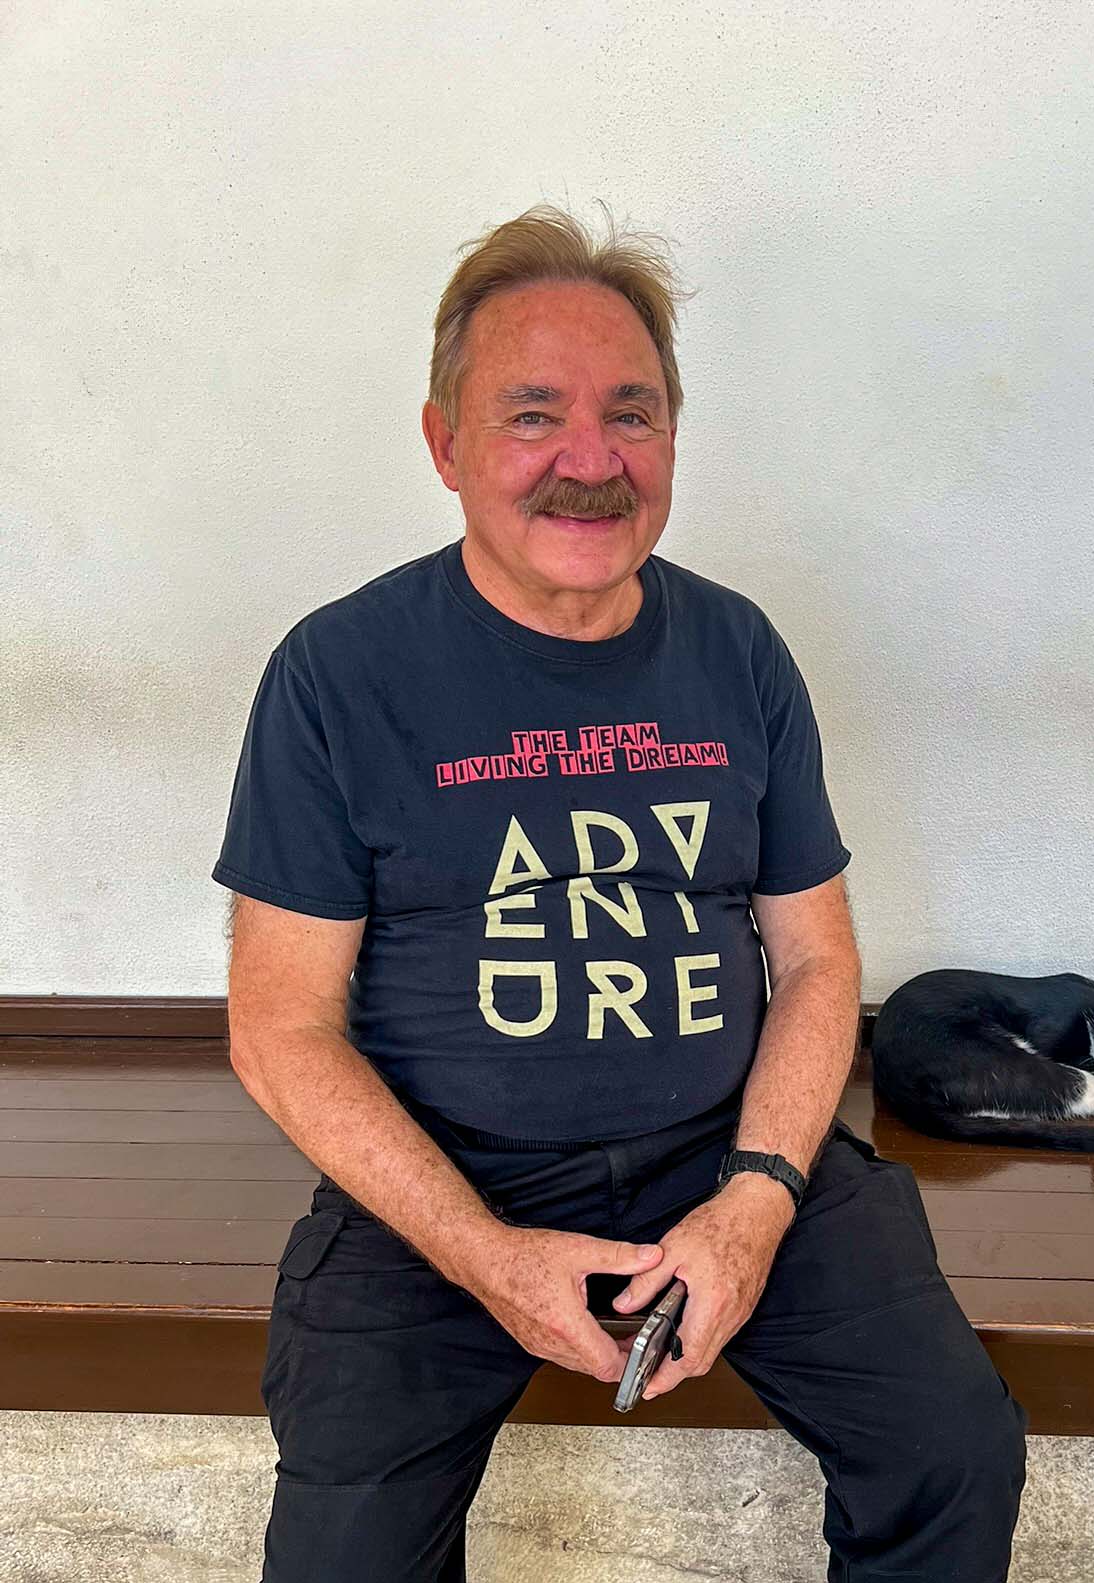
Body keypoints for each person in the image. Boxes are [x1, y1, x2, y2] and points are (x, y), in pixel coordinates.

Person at [214, 201, 1028, 1582]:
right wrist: (483, 1254)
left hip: (725, 1150)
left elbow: (818, 965)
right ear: (445, 445)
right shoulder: (337, 675)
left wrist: (755, 1203)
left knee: (953, 1452)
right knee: (344, 1558)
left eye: (630, 415)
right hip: (444, 1179)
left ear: (673, 440)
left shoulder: (739, 651)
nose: (589, 463)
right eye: (533, 415)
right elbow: (279, 1027)